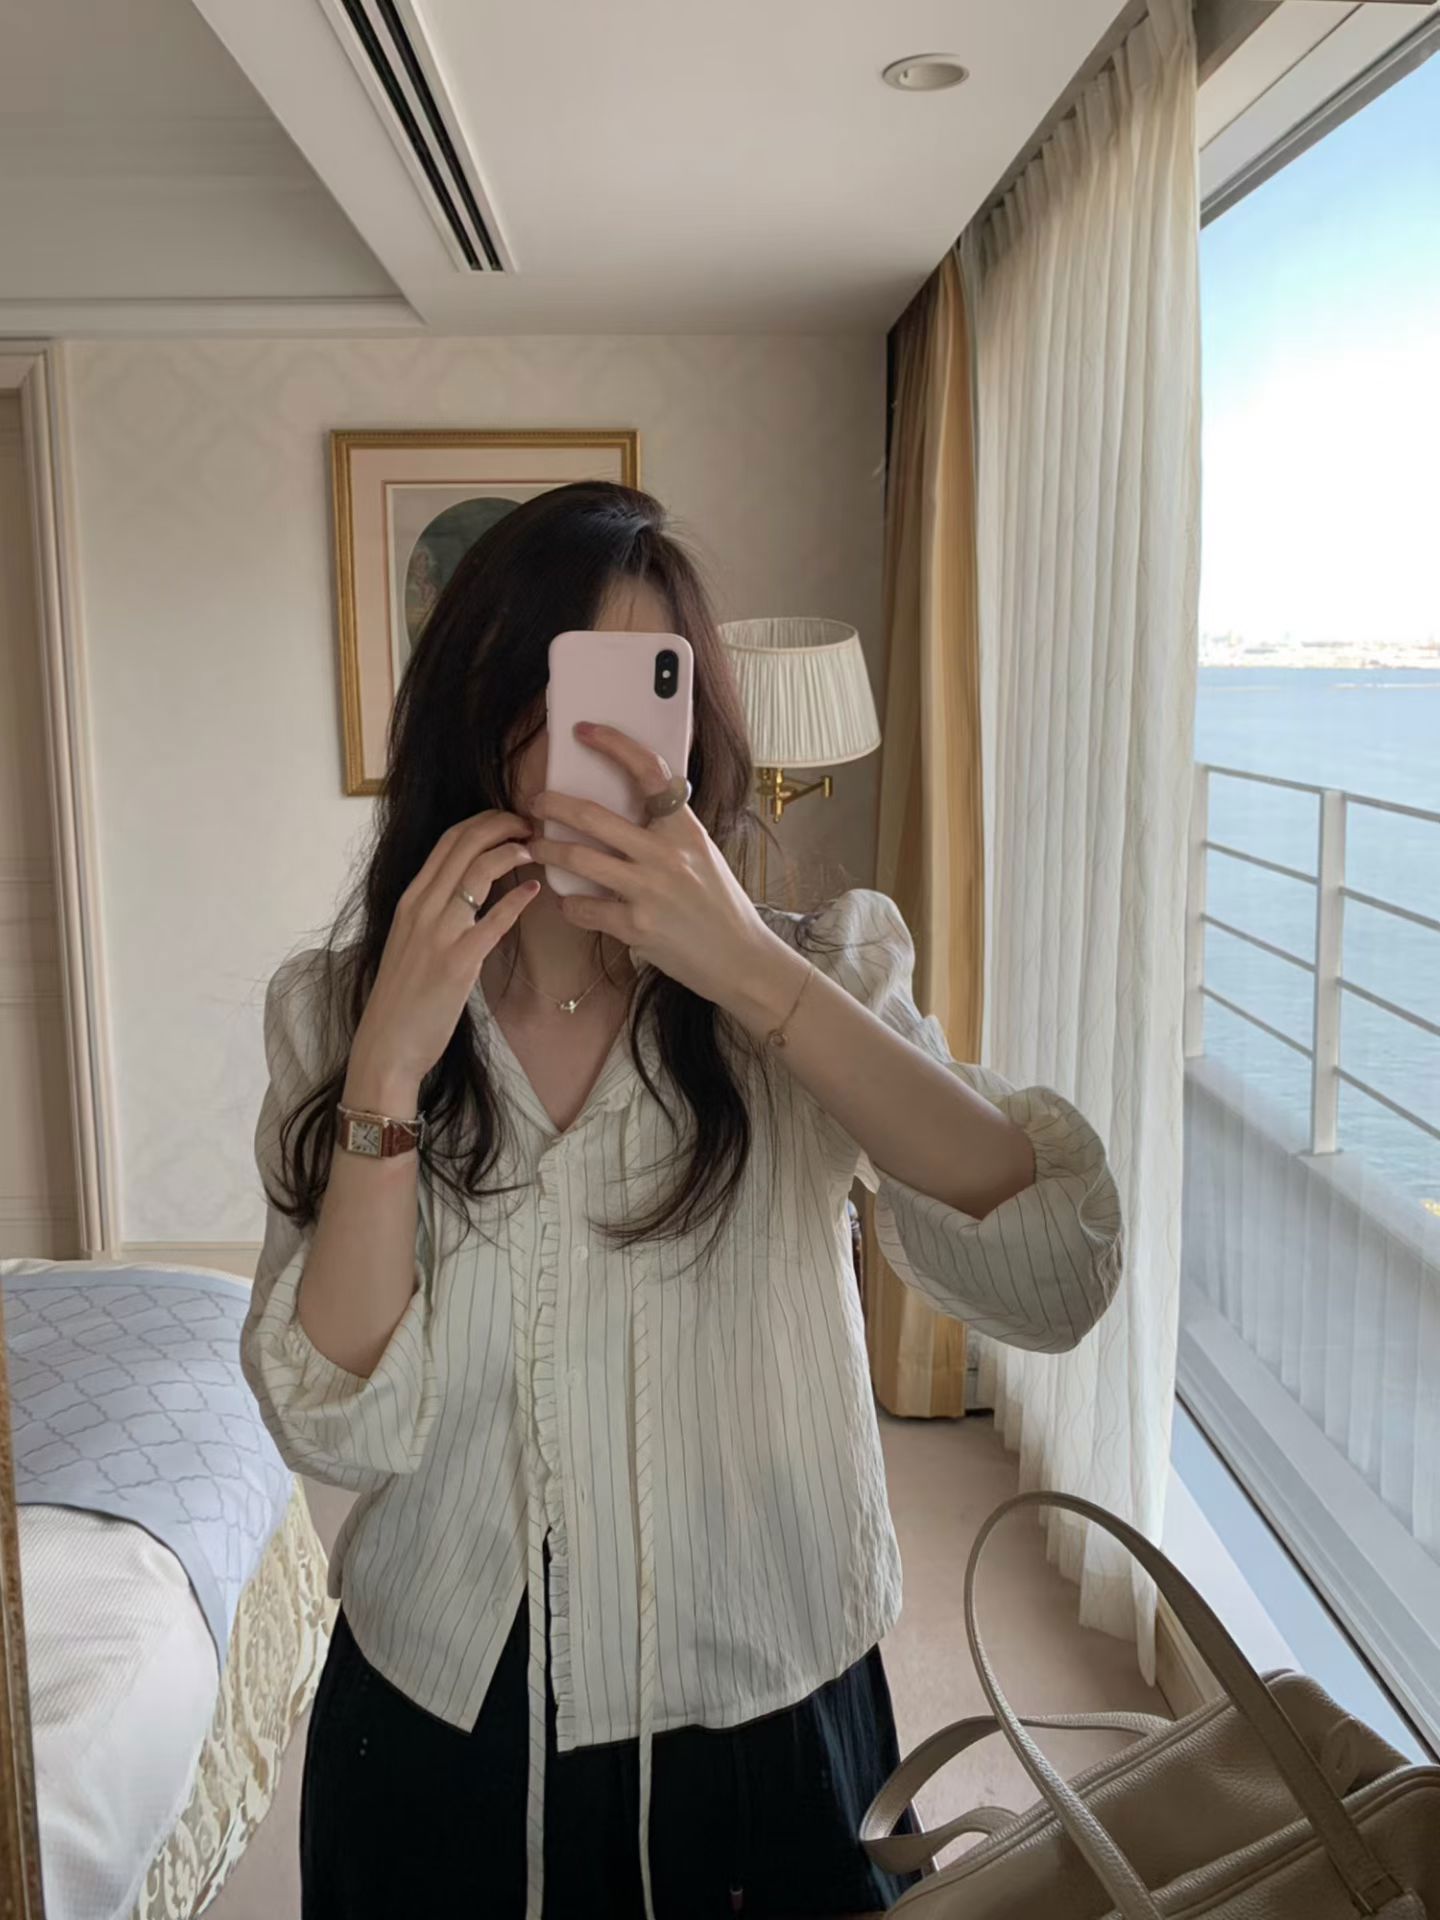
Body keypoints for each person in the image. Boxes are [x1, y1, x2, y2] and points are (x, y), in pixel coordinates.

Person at [240, 482, 1123, 1920]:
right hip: (437, 1721)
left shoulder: (817, 972)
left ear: (693, 725)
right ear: (466, 715)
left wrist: (758, 976)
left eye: (632, 691)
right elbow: (334, 1427)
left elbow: (1053, 1270)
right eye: (536, 691)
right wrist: (391, 1062)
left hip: (766, 1698)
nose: (582, 750)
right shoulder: (338, 1011)